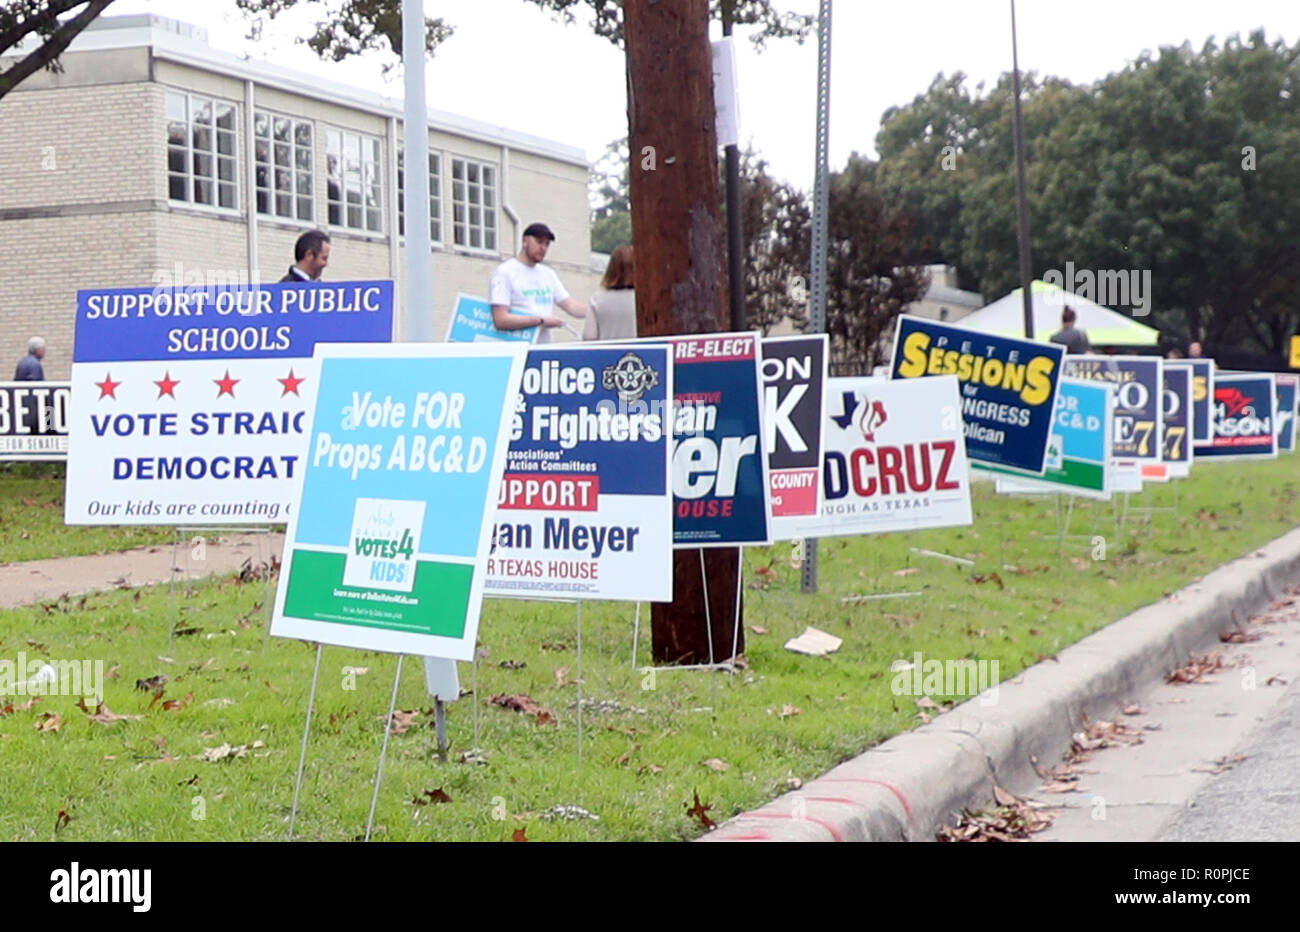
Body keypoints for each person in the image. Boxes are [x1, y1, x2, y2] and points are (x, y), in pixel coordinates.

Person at [489, 222, 586, 343]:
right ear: (525, 241)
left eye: (547, 244)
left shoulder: (548, 274)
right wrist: (541, 321)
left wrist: (597, 311)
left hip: (542, 349)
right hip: (517, 349)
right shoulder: (505, 272)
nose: (543, 248)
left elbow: (570, 306)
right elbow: (500, 320)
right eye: (539, 242)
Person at [583, 245, 636, 341]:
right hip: (640, 354)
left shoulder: (597, 299)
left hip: (606, 354)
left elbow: (589, 336)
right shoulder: (645, 301)